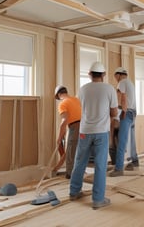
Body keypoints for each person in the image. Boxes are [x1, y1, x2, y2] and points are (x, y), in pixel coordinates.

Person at [69, 61, 118, 210]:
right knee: (100, 165)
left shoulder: (82, 89)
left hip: (84, 131)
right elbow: (114, 113)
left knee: (79, 162)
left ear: (90, 74)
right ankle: (98, 200)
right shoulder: (109, 89)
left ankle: (74, 192)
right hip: (101, 132)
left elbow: (82, 109)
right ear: (103, 75)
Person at [109, 67, 138, 177]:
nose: (115, 79)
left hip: (127, 112)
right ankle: (134, 162)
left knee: (121, 141)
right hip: (133, 112)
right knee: (131, 139)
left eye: (115, 76)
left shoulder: (122, 82)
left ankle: (119, 168)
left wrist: (123, 111)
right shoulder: (130, 83)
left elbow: (123, 98)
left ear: (119, 75)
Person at [54, 85, 82, 179]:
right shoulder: (76, 99)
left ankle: (70, 174)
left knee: (70, 152)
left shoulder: (63, 104)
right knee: (78, 151)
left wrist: (59, 137)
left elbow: (64, 121)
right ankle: (79, 172)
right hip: (84, 127)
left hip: (75, 127)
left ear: (59, 95)